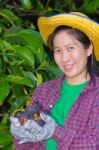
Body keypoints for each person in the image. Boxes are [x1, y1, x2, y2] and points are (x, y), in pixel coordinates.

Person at [10, 12, 99, 150]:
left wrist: (54, 131)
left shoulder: (96, 94)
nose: (64, 58)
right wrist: (22, 135)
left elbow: (94, 144)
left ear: (88, 49)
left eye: (71, 48)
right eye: (58, 50)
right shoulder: (43, 91)